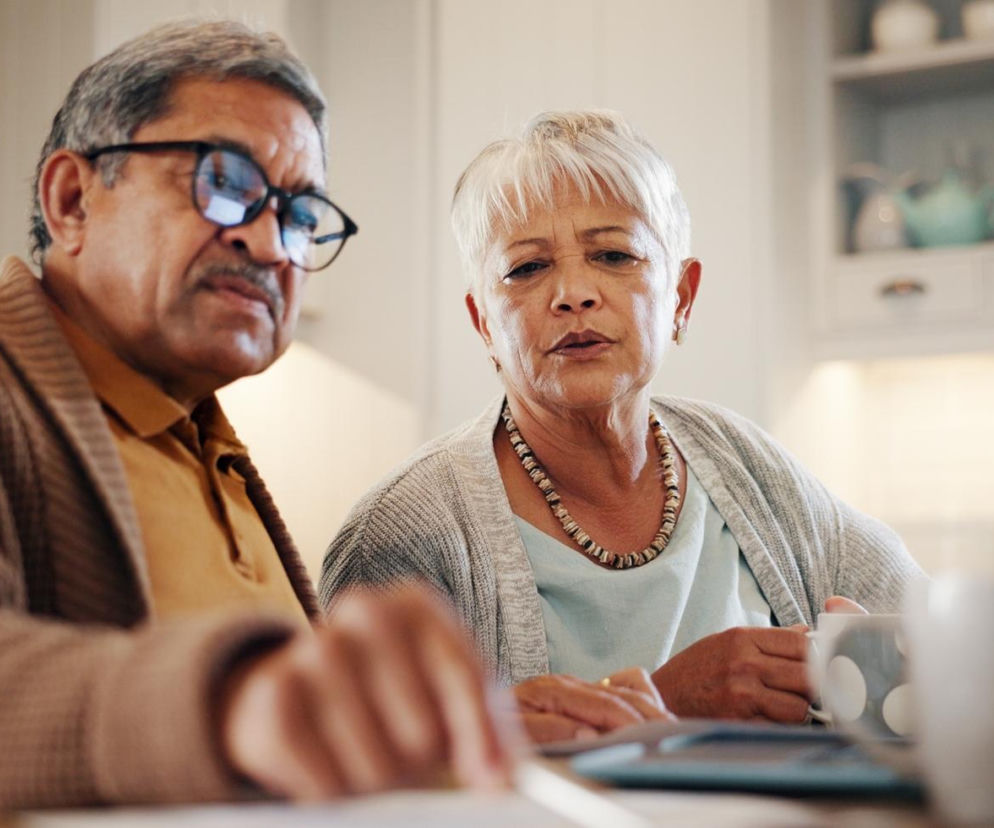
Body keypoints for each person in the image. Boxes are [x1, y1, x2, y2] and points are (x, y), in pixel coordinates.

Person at [0, 19, 521, 809]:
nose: (273, 243)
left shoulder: (210, 445)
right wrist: (231, 697)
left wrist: (463, 729)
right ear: (73, 200)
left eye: (301, 213)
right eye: (225, 182)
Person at [320, 110, 925, 743]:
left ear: (681, 300)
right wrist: (658, 707)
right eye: (526, 269)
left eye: (614, 255)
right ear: (484, 325)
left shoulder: (748, 465)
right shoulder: (401, 537)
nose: (573, 293)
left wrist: (885, 668)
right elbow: (361, 780)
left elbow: (941, 640)